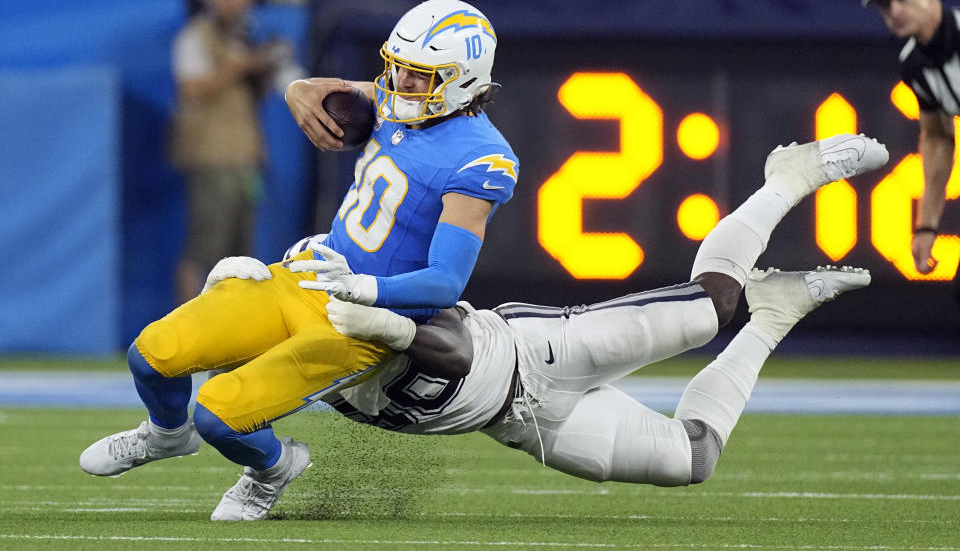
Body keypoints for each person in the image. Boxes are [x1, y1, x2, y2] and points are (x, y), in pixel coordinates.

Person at [213, 132, 888, 493]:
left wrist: (386, 321)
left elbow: (448, 341)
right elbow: (238, 423)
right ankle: (775, 314)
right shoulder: (304, 378)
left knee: (713, 306)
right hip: (526, 424)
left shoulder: (339, 296)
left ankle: (787, 177)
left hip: (537, 352)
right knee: (693, 459)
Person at [78, 0, 518, 521]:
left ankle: (273, 467)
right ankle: (167, 435)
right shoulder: (399, 96)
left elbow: (445, 282)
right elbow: (342, 90)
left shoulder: (481, 158)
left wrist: (363, 289)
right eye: (395, 68)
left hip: (358, 321)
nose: (398, 83)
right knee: (150, 354)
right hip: (306, 278)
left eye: (417, 76)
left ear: (462, 81)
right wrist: (298, 87)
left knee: (219, 415)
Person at [169, 0, 280, 304]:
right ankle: (186, 327)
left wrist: (262, 68)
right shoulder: (195, 36)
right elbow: (192, 89)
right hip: (210, 156)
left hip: (245, 157)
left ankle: (229, 331)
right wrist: (240, 65)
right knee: (204, 245)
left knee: (240, 255)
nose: (236, 0)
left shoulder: (245, 37)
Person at [862, 0, 958, 278]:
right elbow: (937, 136)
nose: (894, 11)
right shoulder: (914, 65)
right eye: (885, 4)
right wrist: (927, 225)